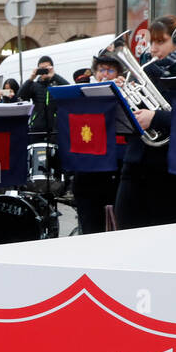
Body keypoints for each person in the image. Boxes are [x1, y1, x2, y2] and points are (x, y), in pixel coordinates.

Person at [115, 14, 176, 229]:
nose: (153, 49)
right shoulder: (145, 73)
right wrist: (120, 97)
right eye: (151, 42)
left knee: (165, 233)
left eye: (160, 41)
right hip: (134, 164)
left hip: (169, 169)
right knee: (126, 231)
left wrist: (155, 117)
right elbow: (128, 124)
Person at [68, 52, 127, 234]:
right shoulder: (82, 93)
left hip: (114, 168)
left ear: (118, 74)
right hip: (87, 167)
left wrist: (123, 94)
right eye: (101, 70)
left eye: (110, 70)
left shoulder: (126, 91)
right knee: (90, 225)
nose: (105, 74)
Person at [18, 56, 69, 138]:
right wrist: (31, 78)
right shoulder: (34, 85)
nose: (44, 71)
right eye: (41, 69)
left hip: (55, 126)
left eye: (47, 68)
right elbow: (21, 95)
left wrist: (54, 75)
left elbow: (68, 89)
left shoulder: (56, 84)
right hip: (38, 126)